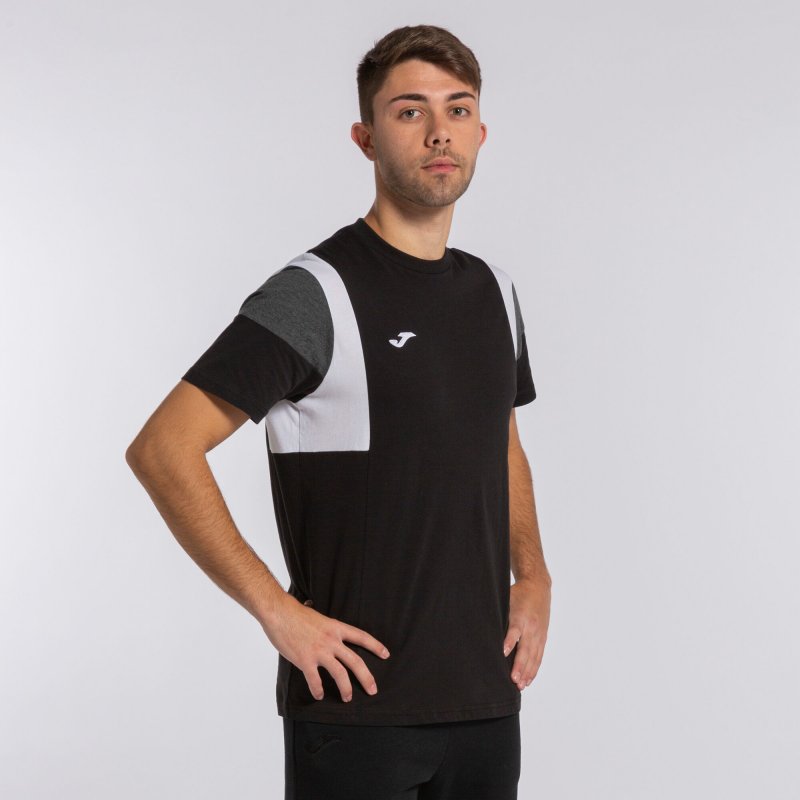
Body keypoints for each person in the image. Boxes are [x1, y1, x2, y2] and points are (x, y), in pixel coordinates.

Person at [126, 23, 552, 800]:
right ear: (366, 138)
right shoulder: (315, 292)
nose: (439, 131)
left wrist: (535, 574)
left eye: (457, 109)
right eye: (409, 111)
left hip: (487, 704)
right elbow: (163, 448)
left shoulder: (494, 291)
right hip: (355, 713)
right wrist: (277, 612)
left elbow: (501, 440)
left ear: (480, 132)